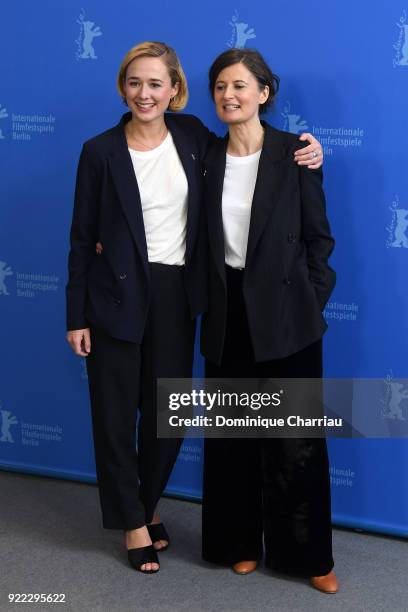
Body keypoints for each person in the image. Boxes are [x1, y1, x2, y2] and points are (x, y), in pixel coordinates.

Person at [66, 41, 323, 574]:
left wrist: (311, 150)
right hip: (114, 296)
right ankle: (134, 524)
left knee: (168, 418)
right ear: (123, 87)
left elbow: (263, 165)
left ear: (175, 91)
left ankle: (147, 503)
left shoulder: (194, 141)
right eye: (135, 83)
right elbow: (80, 238)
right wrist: (77, 315)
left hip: (179, 296)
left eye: (156, 84)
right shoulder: (99, 151)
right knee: (115, 418)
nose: (145, 93)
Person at [200, 48, 338, 594]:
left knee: (296, 438)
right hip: (227, 308)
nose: (228, 96)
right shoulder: (203, 156)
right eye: (219, 88)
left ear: (264, 92)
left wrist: (308, 300)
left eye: (239, 86)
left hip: (288, 312)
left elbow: (318, 239)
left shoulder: (296, 153)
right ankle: (237, 542)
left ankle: (310, 557)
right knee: (232, 433)